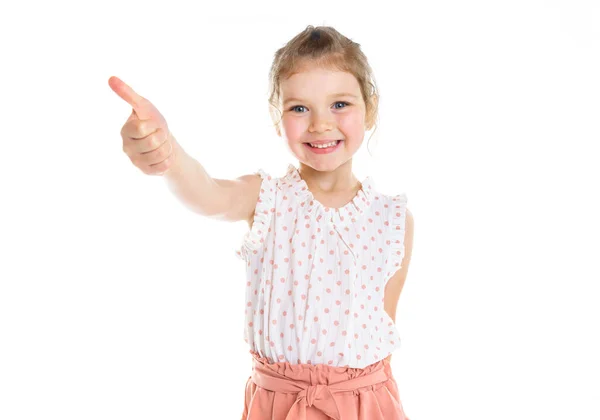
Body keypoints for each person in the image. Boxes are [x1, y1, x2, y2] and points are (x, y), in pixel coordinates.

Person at [109, 24, 414, 420]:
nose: (321, 123)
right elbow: (207, 194)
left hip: (367, 405)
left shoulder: (392, 219)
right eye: (299, 108)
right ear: (277, 116)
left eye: (340, 104)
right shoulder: (267, 198)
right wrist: (168, 155)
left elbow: (378, 333)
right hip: (278, 405)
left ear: (369, 108)